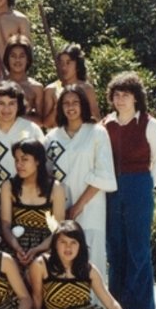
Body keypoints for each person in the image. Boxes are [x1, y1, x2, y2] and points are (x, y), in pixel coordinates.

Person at [29, 220, 149, 309]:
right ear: (55, 244)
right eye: (63, 242)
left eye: (73, 242)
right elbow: (37, 298)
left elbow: (110, 302)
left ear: (80, 245)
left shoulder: (87, 268)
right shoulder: (41, 265)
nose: (68, 247)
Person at [102, 72, 156, 309]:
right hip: (112, 187)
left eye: (125, 95)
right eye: (116, 95)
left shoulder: (150, 124)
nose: (120, 100)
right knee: (115, 246)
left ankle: (135, 307)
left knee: (137, 247)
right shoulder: (106, 124)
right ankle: (116, 304)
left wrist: (148, 184)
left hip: (139, 183)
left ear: (136, 98)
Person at [45, 85, 117, 285]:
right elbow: (46, 174)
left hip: (91, 205)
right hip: (61, 207)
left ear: (83, 105)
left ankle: (95, 307)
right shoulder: (51, 138)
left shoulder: (96, 132)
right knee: (63, 254)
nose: (71, 107)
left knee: (91, 255)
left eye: (75, 102)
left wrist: (78, 206)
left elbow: (103, 172)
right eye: (66, 103)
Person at [0, 139, 65, 271]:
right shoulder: (9, 186)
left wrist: (37, 250)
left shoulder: (55, 188)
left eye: (24, 159)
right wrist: (17, 248)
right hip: (16, 245)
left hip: (45, 246)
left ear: (38, 161)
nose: (19, 164)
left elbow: (58, 230)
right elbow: (5, 225)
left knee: (39, 268)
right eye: (16, 160)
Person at [42, 43, 101, 129]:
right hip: (60, 138)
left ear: (77, 65)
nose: (64, 67)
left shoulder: (87, 89)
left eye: (68, 62)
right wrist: (59, 105)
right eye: (61, 63)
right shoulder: (50, 90)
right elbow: (46, 124)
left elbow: (97, 119)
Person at [0, 35, 44, 125]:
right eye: (13, 56)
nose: (17, 60)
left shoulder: (36, 88)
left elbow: (40, 121)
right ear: (7, 58)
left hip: (25, 135)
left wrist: (15, 117)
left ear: (28, 59)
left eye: (22, 56)